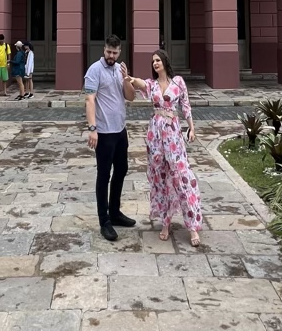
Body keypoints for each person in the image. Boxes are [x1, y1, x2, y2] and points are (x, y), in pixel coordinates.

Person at [126, 48, 202, 247]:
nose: (155, 64)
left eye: (158, 60)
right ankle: (165, 223)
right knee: (160, 178)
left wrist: (192, 128)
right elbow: (137, 82)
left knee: (181, 176)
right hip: (155, 135)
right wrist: (128, 78)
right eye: (153, 61)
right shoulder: (151, 85)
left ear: (165, 62)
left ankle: (192, 226)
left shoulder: (178, 83)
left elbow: (186, 106)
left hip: (173, 135)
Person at [84, 34, 137, 241]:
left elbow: (130, 96)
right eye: (108, 52)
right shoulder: (94, 70)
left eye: (115, 53)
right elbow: (89, 100)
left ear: (119, 52)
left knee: (122, 169)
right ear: (103, 49)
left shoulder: (119, 69)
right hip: (104, 133)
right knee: (103, 175)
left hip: (120, 131)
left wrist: (126, 78)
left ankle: (115, 213)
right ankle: (104, 220)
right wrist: (92, 128)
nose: (111, 56)